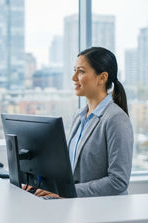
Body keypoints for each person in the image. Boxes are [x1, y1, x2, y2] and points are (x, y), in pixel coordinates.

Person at [27, 46, 133, 198]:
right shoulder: (79, 115)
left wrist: (68, 192)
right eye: (74, 70)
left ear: (102, 78)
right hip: (77, 205)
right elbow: (72, 169)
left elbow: (118, 182)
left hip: (103, 210)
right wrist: (42, 185)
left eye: (81, 71)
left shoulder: (116, 119)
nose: (74, 77)